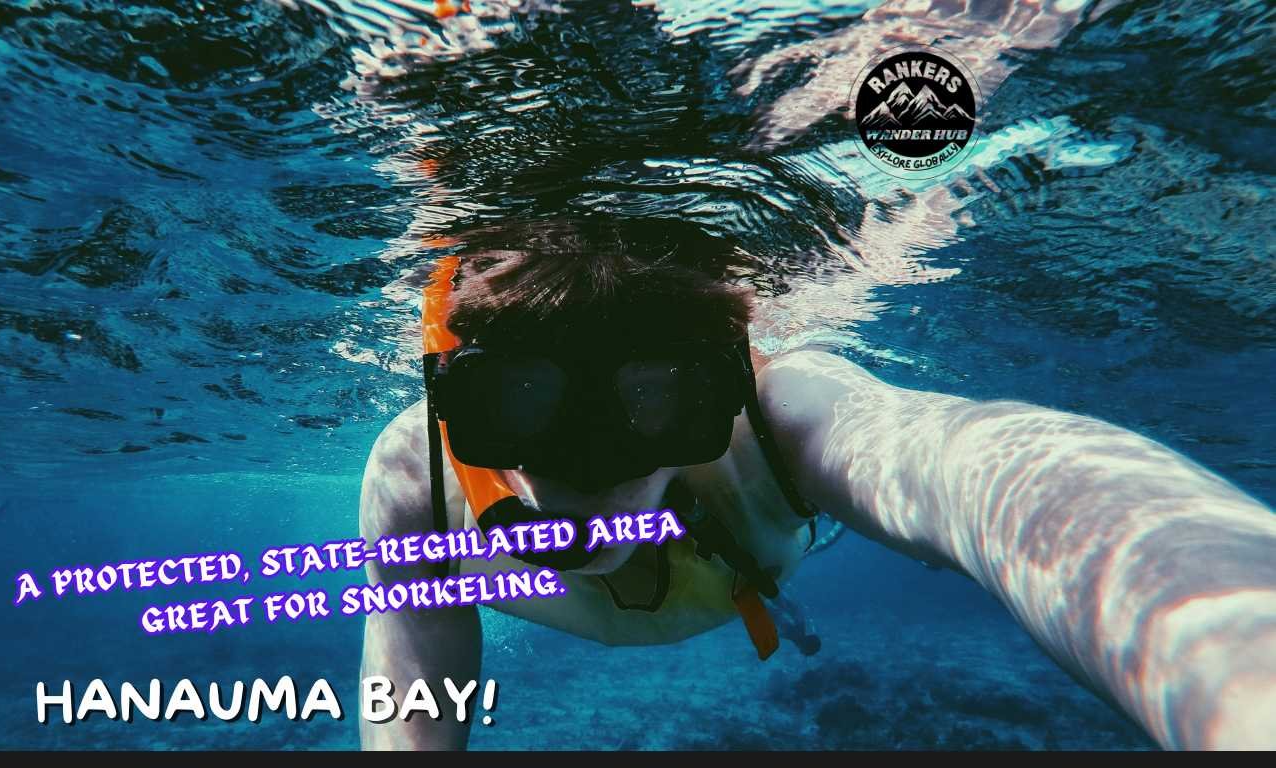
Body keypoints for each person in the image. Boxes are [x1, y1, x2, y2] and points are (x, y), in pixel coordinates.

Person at [358, 216, 1276, 750]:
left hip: (750, 560)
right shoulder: (418, 473)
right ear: (457, 395)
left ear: (714, 387)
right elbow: (410, 665)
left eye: (656, 404)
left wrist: (1238, 667)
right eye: (520, 404)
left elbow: (974, 463)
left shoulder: (777, 415)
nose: (591, 467)